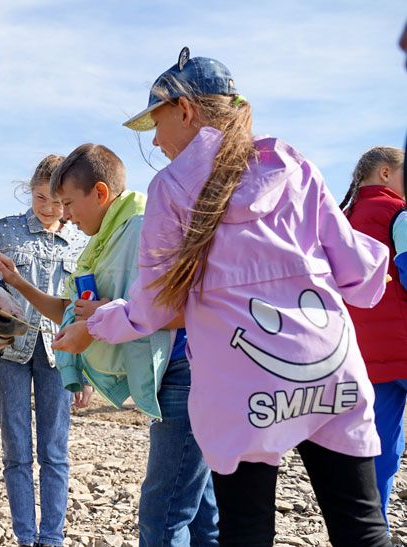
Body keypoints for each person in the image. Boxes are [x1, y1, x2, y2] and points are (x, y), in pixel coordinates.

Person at [52, 48, 391, 546]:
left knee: (246, 529)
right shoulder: (292, 165)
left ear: (185, 110)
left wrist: (97, 324)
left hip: (243, 386)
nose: (158, 141)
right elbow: (360, 280)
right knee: (361, 527)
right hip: (330, 367)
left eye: (158, 123)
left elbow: (156, 309)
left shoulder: (171, 188)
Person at [0, 144, 218, 546]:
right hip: (173, 381)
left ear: (100, 193)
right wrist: (21, 284)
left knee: (162, 518)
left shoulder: (146, 228)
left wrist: (96, 325)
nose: (66, 216)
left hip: (183, 375)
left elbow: (190, 305)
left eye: (70, 204)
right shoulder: (103, 241)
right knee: (199, 516)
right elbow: (76, 312)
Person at [0, 155, 90, 547]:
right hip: (9, 354)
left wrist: (85, 372)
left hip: (61, 356)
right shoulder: (3, 232)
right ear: (30, 191)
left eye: (57, 201)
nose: (49, 208)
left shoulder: (80, 239)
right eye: (41, 197)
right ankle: (26, 537)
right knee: (16, 451)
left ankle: (52, 537)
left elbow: (84, 305)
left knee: (55, 452)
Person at [340, 146, 406, 529]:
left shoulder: (342, 218)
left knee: (380, 446)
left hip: (366, 354)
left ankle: (372, 529)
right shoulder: (397, 213)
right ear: (385, 173)